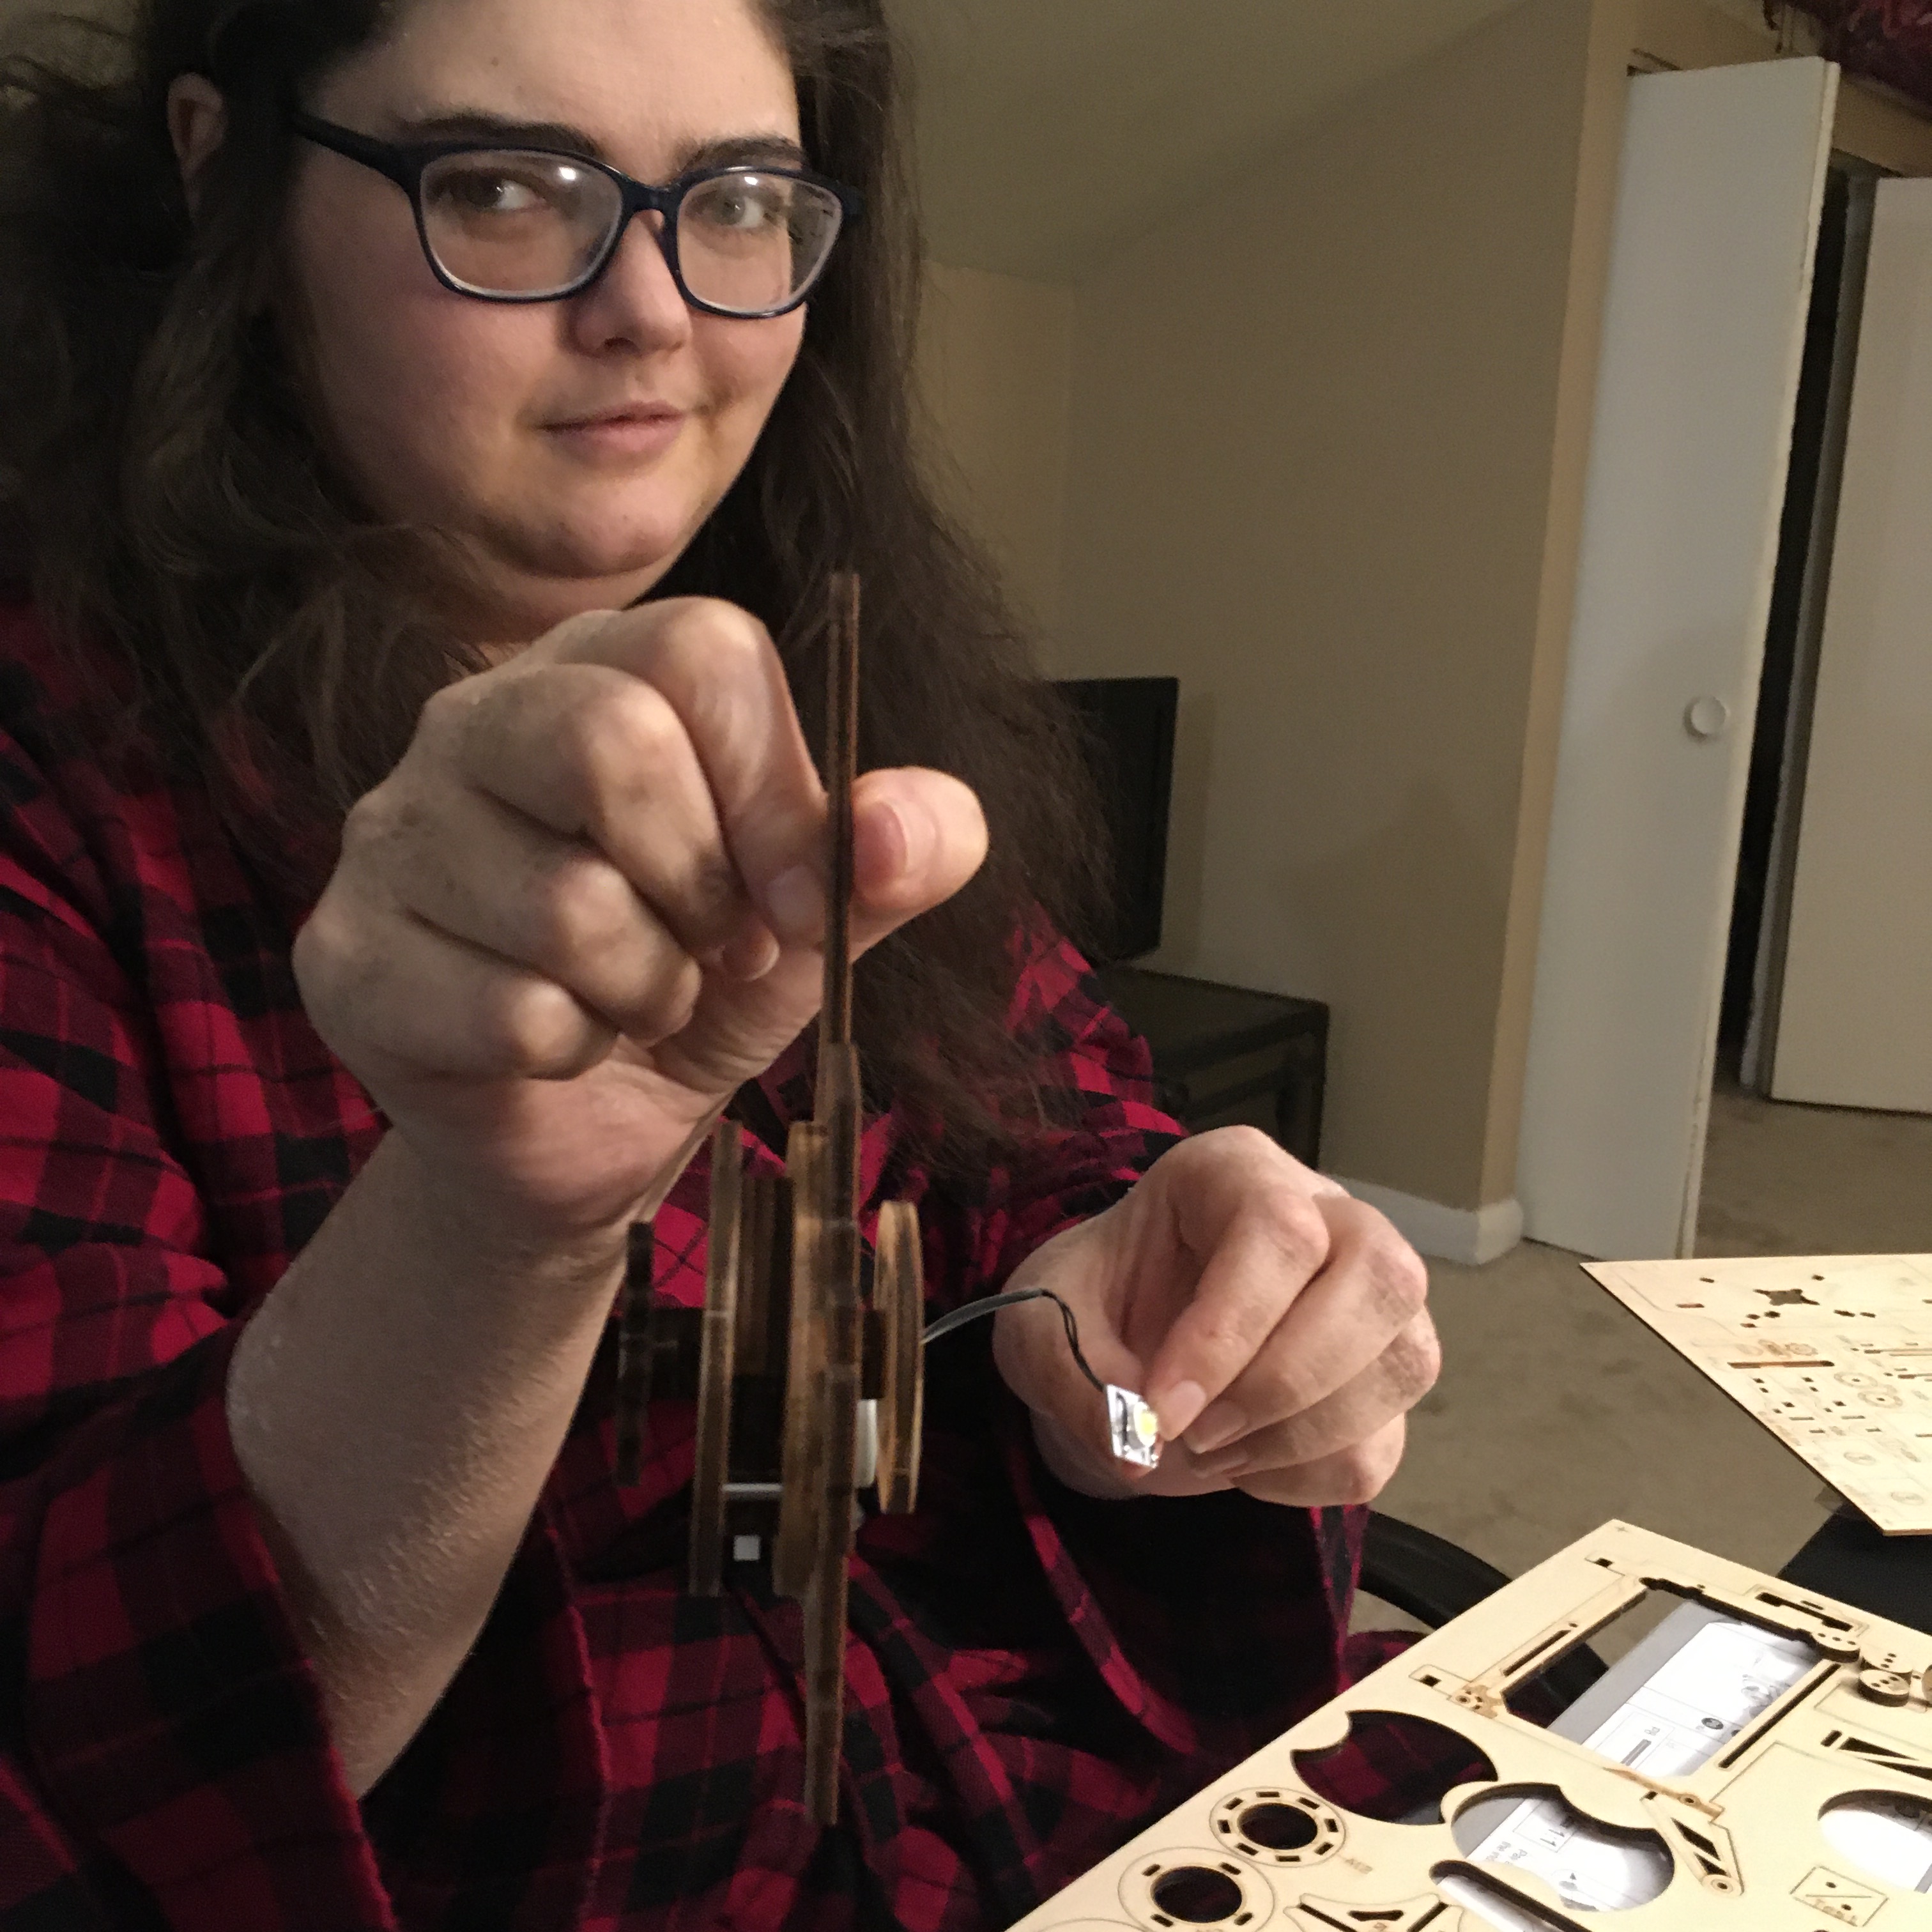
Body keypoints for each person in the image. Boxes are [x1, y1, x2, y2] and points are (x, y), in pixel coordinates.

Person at [0, 0, 1440, 1924]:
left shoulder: (846, 666)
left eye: (741, 201)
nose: (655, 311)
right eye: (504, 187)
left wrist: (1160, 1289)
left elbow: (1060, 1127)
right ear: (229, 174)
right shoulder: (56, 795)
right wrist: (492, 1226)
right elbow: (97, 1778)